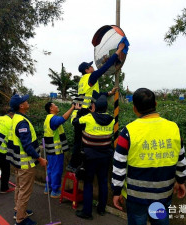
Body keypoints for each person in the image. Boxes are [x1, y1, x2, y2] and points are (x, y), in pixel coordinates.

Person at [111, 88, 186, 225]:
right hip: (163, 195)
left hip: (136, 198)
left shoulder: (128, 132)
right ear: (156, 104)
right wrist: (181, 181)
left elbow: (119, 166)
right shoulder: (174, 128)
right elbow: (181, 159)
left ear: (134, 108)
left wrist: (116, 191)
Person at [66, 42, 125, 172]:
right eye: (90, 67)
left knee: (80, 141)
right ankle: (74, 165)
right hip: (83, 112)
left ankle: (75, 164)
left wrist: (108, 93)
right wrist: (118, 51)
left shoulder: (83, 81)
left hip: (78, 112)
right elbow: (105, 68)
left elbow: (94, 94)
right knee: (81, 141)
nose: (93, 68)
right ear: (87, 70)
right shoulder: (91, 77)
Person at [6, 94, 47, 225]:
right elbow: (27, 145)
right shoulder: (22, 122)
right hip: (26, 164)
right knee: (25, 191)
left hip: (18, 162)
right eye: (25, 101)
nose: (27, 101)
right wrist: (39, 158)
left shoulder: (16, 118)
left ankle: (18, 211)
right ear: (21, 106)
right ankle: (21, 219)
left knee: (19, 187)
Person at [72, 95, 115, 220]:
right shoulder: (112, 120)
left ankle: (87, 212)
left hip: (89, 157)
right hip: (105, 156)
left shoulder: (89, 117)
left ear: (94, 106)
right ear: (106, 107)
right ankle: (101, 209)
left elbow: (75, 122)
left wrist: (76, 110)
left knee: (88, 183)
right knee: (103, 182)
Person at [43, 101, 75, 198]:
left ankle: (47, 188)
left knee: (50, 169)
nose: (57, 106)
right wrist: (72, 108)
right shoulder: (53, 119)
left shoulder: (47, 119)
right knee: (56, 170)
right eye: (55, 105)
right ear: (51, 109)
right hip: (56, 150)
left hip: (50, 150)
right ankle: (55, 191)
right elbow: (62, 119)